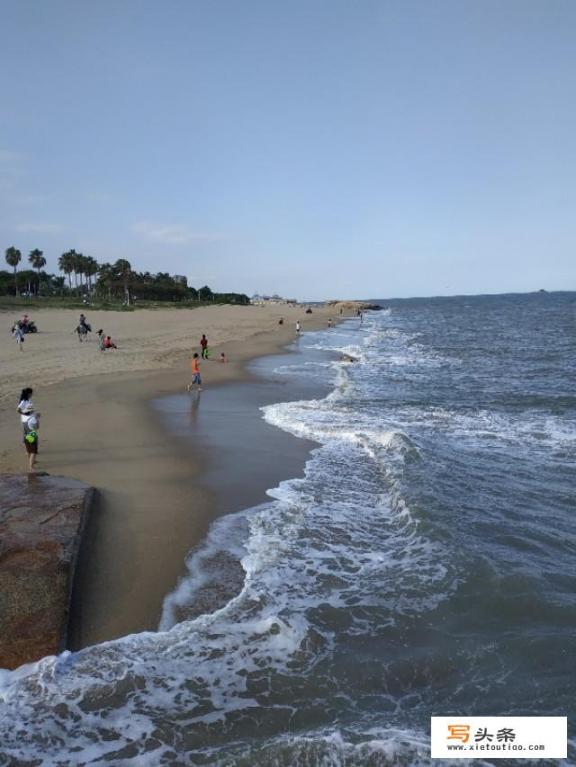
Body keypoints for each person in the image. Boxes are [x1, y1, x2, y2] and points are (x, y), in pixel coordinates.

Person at [17, 388, 40, 471]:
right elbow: (37, 427)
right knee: (33, 449)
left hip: (26, 422)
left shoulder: (27, 400)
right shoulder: (24, 402)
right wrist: (37, 418)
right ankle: (31, 466)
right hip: (29, 424)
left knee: (28, 441)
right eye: (31, 393)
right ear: (29, 394)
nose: (32, 394)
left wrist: (32, 414)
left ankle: (31, 459)